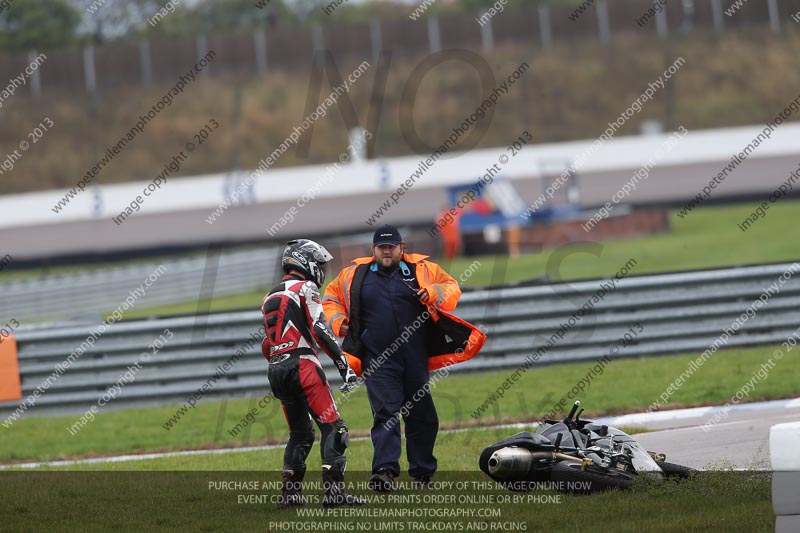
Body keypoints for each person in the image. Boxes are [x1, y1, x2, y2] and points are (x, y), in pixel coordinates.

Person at [323, 225, 485, 492]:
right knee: (386, 413)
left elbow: (451, 287)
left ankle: (423, 474)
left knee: (423, 416)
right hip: (377, 360)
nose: (386, 251)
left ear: (402, 248)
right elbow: (330, 298)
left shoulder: (422, 269)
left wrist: (432, 293)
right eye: (381, 247)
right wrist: (337, 321)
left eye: (391, 247)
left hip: (415, 358)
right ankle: (384, 472)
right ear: (373, 250)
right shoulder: (353, 274)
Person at [261, 239, 366, 508]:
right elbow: (321, 328)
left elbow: (267, 344)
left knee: (300, 434)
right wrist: (343, 364)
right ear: (302, 261)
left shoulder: (269, 296)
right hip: (303, 366)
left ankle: (291, 496)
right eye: (319, 263)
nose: (321, 269)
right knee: (335, 429)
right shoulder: (305, 288)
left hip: (276, 369)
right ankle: (334, 494)